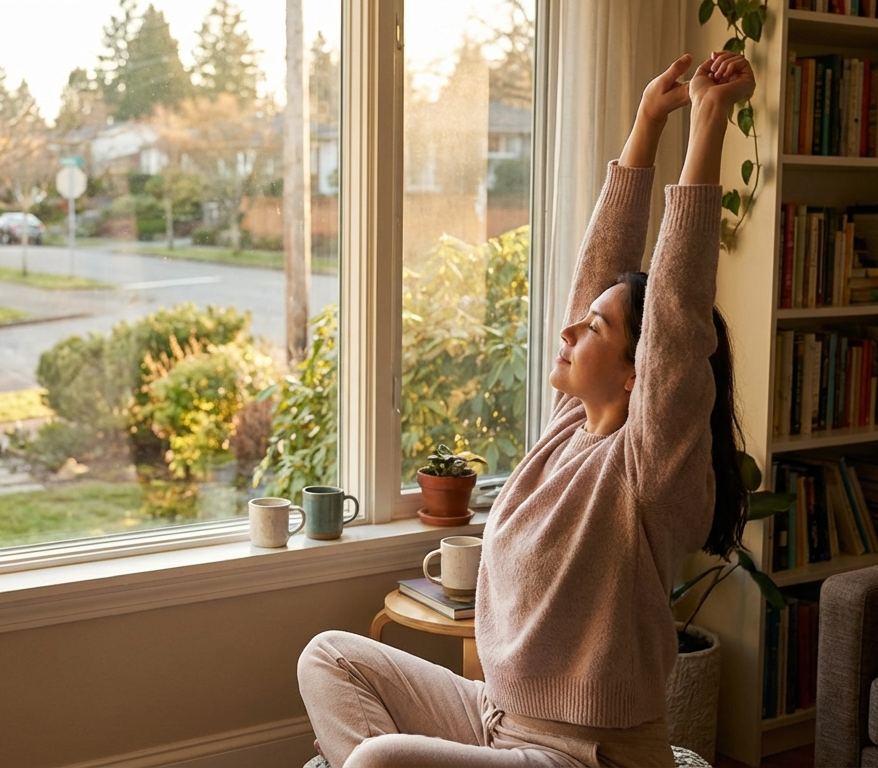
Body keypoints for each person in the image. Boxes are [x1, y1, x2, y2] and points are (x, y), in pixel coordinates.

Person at [296, 51, 757, 768]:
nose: (569, 331)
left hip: (585, 754)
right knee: (329, 656)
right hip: (495, 714)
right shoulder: (569, 428)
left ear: (640, 374)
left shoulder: (651, 469)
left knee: (375, 761)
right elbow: (600, 266)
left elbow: (676, 311)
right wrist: (644, 124)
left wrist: (708, 121)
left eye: (594, 328)